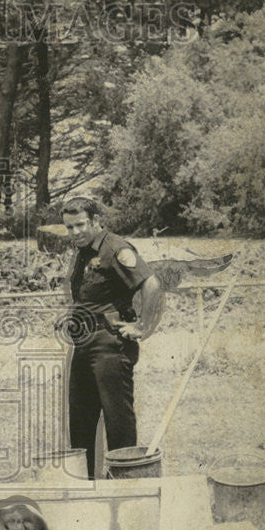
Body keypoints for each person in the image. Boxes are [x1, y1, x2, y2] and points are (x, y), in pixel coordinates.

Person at [59, 196, 161, 478]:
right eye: (69, 227)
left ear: (95, 221)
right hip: (82, 345)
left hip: (109, 345)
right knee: (80, 424)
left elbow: (150, 283)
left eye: (80, 225)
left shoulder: (115, 248)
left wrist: (143, 326)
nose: (75, 232)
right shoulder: (81, 251)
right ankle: (86, 491)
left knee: (118, 424)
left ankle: (125, 488)